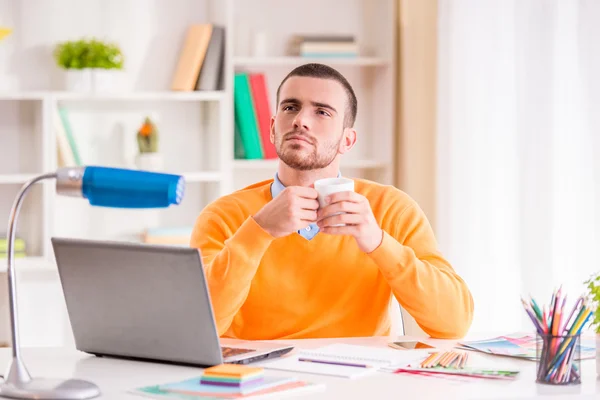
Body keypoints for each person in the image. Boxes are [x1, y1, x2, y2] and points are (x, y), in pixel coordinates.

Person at [190, 63, 473, 340]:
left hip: (363, 381)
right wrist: (258, 231)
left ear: (347, 141)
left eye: (322, 112)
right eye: (290, 107)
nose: (301, 120)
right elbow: (198, 327)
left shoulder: (391, 208)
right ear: (273, 128)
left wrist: (377, 241)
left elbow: (453, 323)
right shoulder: (223, 215)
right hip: (261, 380)